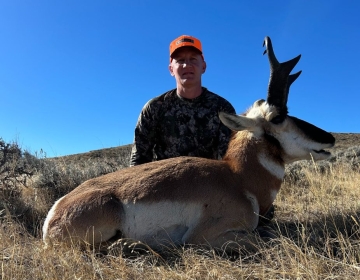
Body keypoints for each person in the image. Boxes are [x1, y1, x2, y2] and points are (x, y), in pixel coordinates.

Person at [129, 35, 236, 166]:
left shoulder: (222, 108)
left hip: (209, 183)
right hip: (165, 183)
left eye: (193, 59)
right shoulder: (154, 108)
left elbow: (229, 160)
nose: (187, 65)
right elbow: (138, 160)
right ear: (171, 69)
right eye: (180, 60)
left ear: (203, 67)